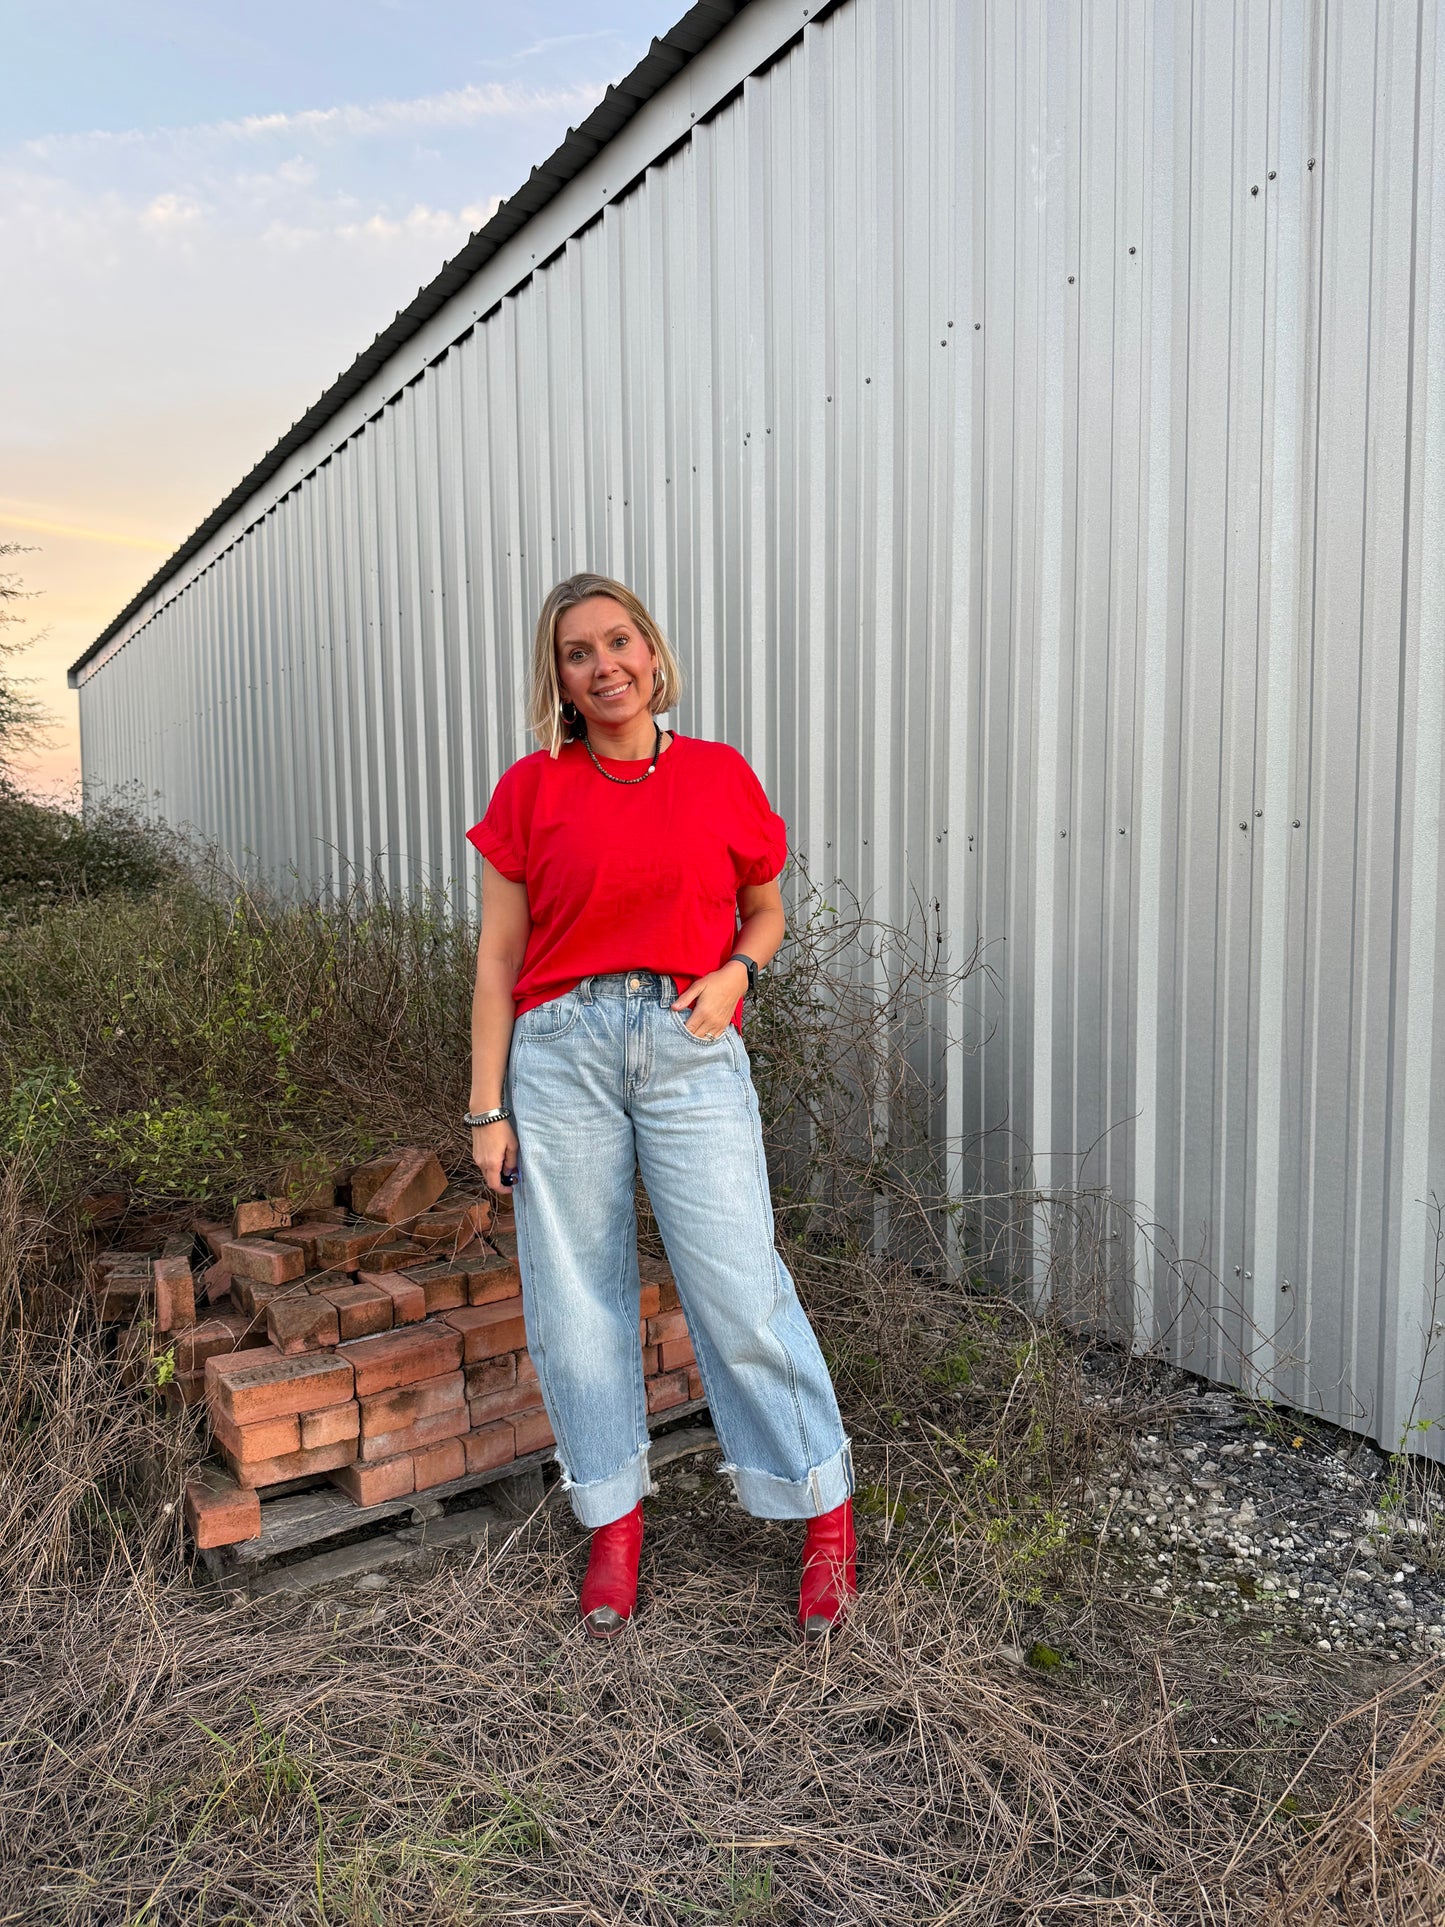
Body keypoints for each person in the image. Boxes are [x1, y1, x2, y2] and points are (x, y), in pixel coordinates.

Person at [465, 572, 856, 1641]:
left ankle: (822, 1515)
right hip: (559, 1055)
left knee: (737, 1284)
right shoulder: (531, 790)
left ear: (651, 649)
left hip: (689, 1045)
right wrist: (483, 1108)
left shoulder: (718, 775)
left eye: (618, 640)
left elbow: (766, 908)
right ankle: (613, 1522)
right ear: (557, 677)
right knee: (576, 1301)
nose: (604, 666)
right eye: (577, 652)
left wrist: (738, 972)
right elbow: (499, 957)